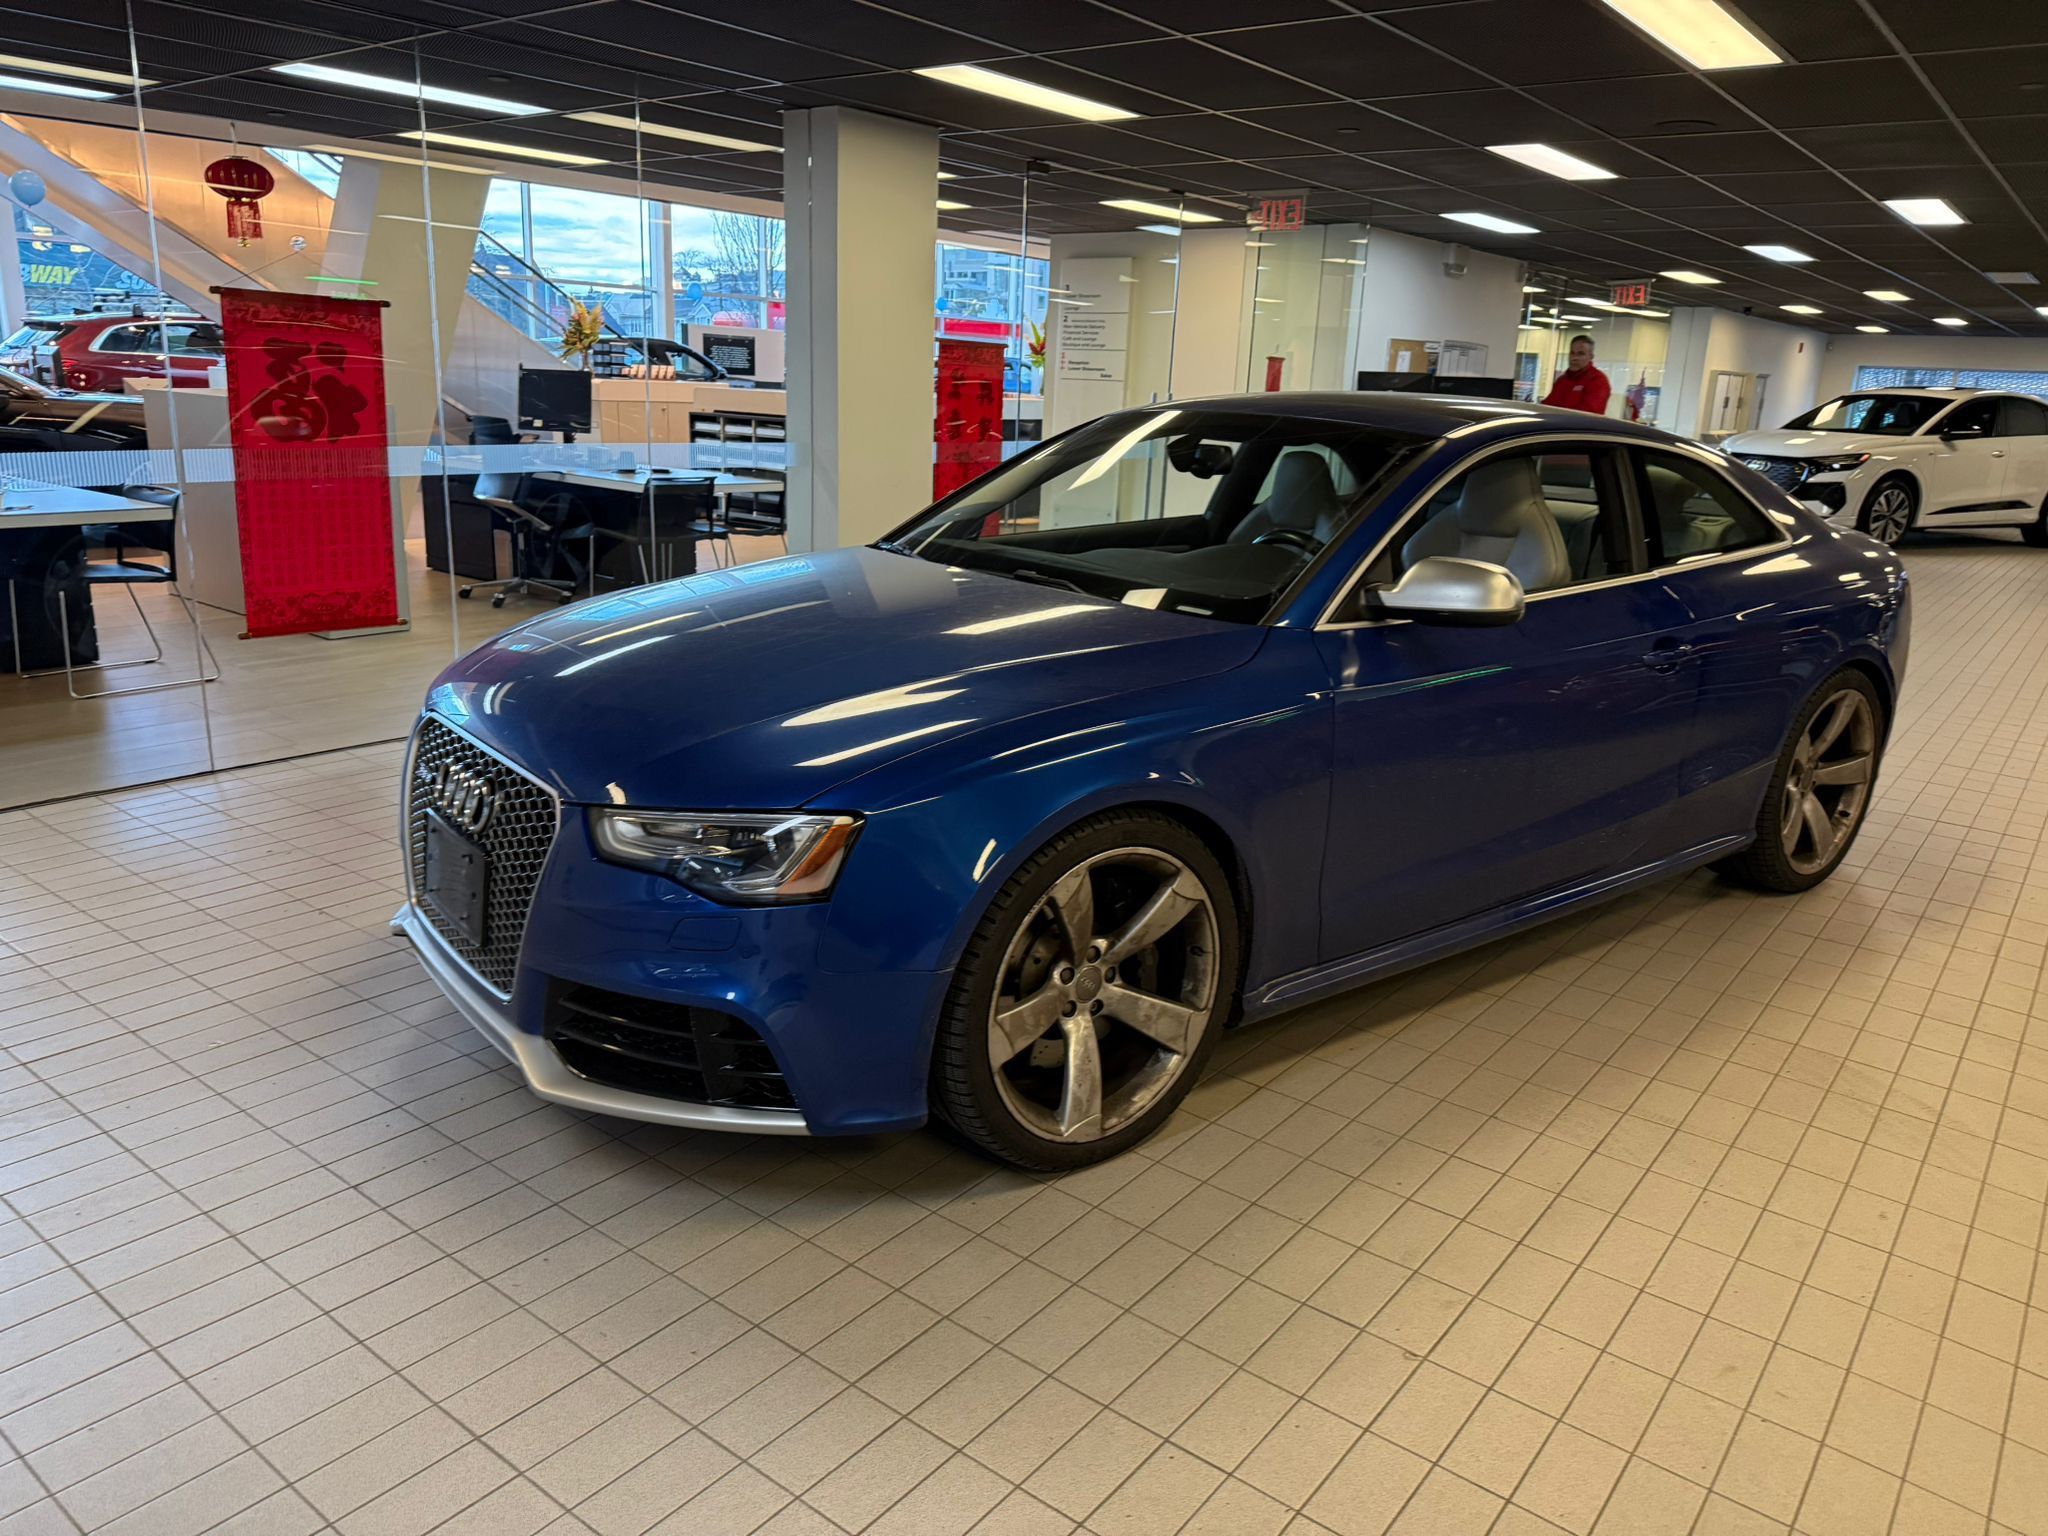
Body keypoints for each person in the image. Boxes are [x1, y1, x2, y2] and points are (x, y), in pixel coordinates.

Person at [1543, 334, 1612, 415]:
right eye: (1572, 353)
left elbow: (1588, 413)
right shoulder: (1562, 381)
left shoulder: (1598, 380)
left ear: (1591, 357)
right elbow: (1547, 405)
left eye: (1580, 354)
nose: (1574, 358)